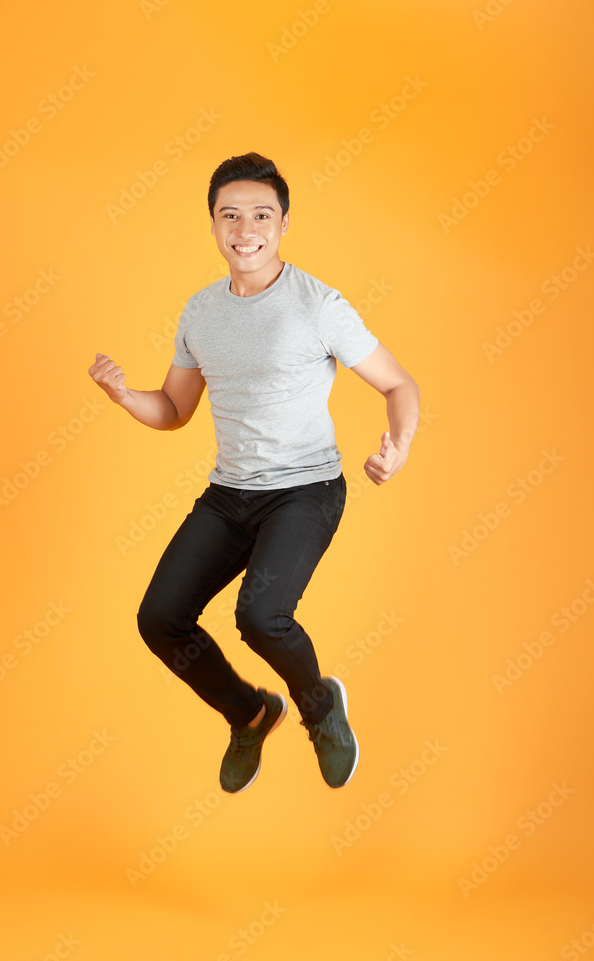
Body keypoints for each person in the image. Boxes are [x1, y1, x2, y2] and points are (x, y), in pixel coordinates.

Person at [88, 152, 420, 795]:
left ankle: (321, 709)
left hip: (305, 490)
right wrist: (126, 396)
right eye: (229, 214)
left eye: (261, 214)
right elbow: (175, 409)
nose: (245, 228)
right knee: (160, 618)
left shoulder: (317, 304)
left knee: (261, 615)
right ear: (213, 225)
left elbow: (398, 383)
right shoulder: (201, 311)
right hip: (230, 495)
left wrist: (398, 445)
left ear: (284, 222)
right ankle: (250, 713)